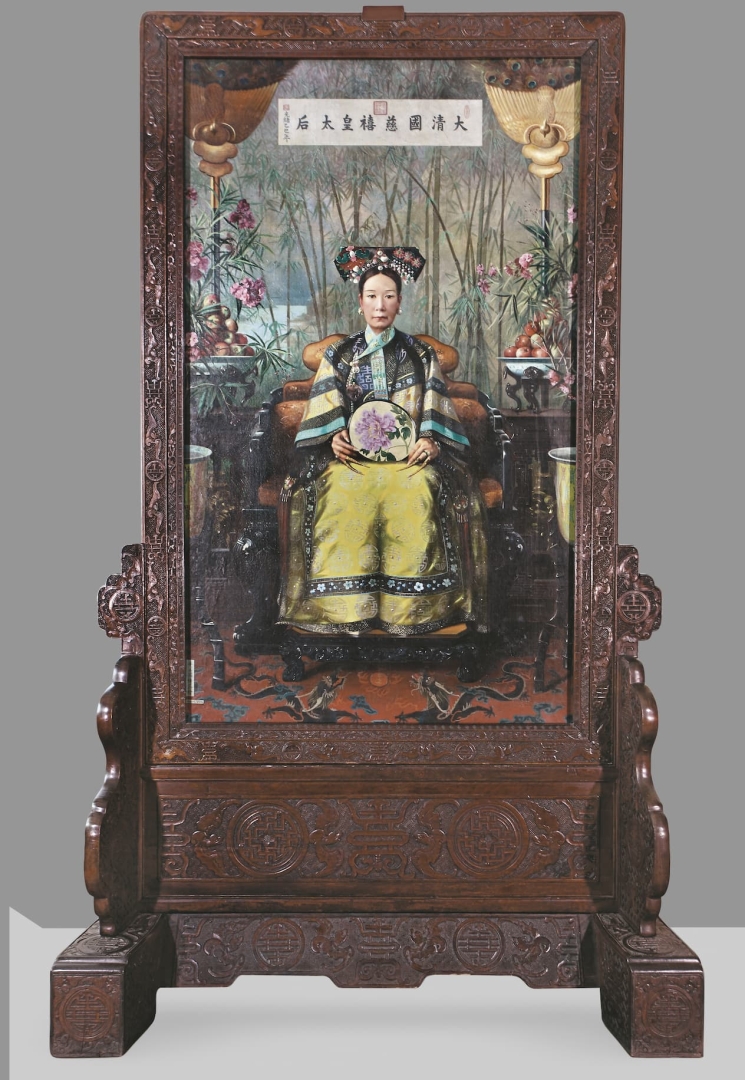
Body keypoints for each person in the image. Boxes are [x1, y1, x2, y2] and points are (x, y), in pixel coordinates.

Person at [278, 246, 487, 637]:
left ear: (399, 302)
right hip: (351, 462)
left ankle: (413, 610)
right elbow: (324, 409)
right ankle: (345, 610)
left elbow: (435, 407)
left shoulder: (421, 354)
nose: (380, 305)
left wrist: (431, 441)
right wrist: (333, 438)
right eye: (372, 296)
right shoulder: (339, 354)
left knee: (419, 491)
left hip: (409, 462)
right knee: (339, 493)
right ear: (360, 302)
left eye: (388, 296)